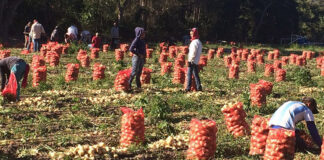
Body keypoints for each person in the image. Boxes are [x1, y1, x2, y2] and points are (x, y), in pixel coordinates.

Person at [185, 28, 202, 92]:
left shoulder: (194, 42)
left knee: (189, 74)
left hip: (192, 60)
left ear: (195, 33)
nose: (191, 35)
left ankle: (188, 88)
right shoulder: (199, 41)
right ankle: (199, 87)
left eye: (192, 34)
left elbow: (193, 52)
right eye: (190, 34)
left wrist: (190, 60)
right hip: (196, 60)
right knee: (195, 74)